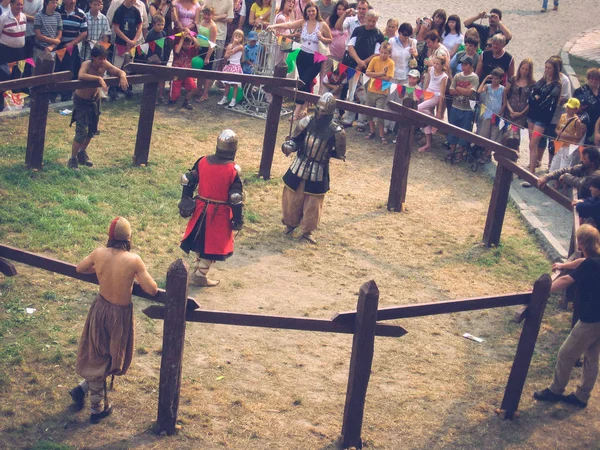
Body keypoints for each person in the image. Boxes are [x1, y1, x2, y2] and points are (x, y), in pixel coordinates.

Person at [69, 216, 158, 423]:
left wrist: (101, 270)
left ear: (110, 236)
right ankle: (96, 409)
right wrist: (134, 275)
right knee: (111, 354)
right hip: (119, 314)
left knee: (99, 352)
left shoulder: (98, 254)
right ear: (128, 238)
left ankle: (83, 388)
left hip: (100, 308)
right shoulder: (133, 260)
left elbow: (80, 268)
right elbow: (152, 290)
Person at [533, 224, 600, 409]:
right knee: (592, 357)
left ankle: (555, 390)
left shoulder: (590, 264)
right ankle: (582, 395)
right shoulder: (595, 260)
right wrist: (564, 265)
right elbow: (581, 263)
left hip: (591, 319)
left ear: (582, 243)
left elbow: (565, 280)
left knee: (565, 354)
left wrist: (539, 292)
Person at [180, 129, 244, 286]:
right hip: (219, 214)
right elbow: (235, 198)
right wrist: (237, 218)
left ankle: (197, 269)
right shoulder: (233, 169)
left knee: (201, 241)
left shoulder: (203, 161)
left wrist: (186, 198)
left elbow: (187, 179)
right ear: (233, 149)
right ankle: (200, 275)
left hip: (201, 209)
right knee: (211, 245)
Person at [280, 92, 346, 244]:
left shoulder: (337, 132)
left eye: (324, 111)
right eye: (319, 109)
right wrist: (289, 145)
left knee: (313, 204)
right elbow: (296, 140)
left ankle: (307, 231)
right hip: (299, 165)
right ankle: (290, 224)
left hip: (319, 170)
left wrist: (326, 151)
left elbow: (340, 153)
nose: (320, 113)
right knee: (291, 197)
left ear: (330, 113)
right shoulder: (306, 121)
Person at [267, 1, 332, 121]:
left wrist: (321, 37)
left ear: (317, 11)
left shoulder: (322, 24)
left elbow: (330, 39)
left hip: (316, 58)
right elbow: (289, 25)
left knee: (303, 82)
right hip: (302, 55)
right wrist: (274, 26)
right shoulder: (303, 22)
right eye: (309, 11)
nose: (311, 13)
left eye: (313, 11)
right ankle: (304, 108)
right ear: (306, 13)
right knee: (304, 83)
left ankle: (296, 112)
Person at [67, 45, 128, 169]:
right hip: (81, 101)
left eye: (104, 58)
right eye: (100, 58)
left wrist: (122, 76)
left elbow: (119, 71)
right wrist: (99, 78)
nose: (103, 61)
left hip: (94, 99)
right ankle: (72, 159)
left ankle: (81, 153)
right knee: (81, 132)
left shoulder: (105, 64)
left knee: (91, 130)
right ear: (94, 58)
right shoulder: (87, 64)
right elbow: (81, 75)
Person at [338, 8, 384, 128]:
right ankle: (348, 118)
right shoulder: (358, 30)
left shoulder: (379, 35)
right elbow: (351, 46)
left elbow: (377, 53)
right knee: (352, 92)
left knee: (365, 96)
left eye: (373, 21)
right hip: (354, 65)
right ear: (365, 19)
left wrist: (364, 63)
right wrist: (358, 61)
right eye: (369, 20)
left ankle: (362, 121)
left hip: (368, 69)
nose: (371, 23)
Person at [527, 58, 561, 173]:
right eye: (546, 67)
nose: (547, 70)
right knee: (531, 143)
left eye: (549, 68)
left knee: (533, 143)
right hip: (532, 114)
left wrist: (538, 98)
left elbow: (549, 101)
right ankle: (531, 166)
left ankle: (531, 172)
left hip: (542, 118)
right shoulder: (542, 80)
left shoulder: (557, 85)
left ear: (555, 69)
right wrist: (536, 98)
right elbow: (532, 92)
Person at [55, 0, 88, 102]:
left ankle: (66, 95)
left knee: (69, 70)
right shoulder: (57, 11)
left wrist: (72, 43)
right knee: (56, 70)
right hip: (56, 46)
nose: (73, 1)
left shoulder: (81, 14)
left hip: (71, 47)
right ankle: (53, 93)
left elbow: (84, 33)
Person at [109, 0, 142, 100]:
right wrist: (127, 40)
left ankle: (124, 87)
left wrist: (134, 40)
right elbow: (117, 28)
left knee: (128, 66)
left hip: (131, 44)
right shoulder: (119, 10)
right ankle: (112, 88)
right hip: (120, 43)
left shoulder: (135, 10)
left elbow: (139, 25)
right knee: (116, 66)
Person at [447, 55, 479, 159]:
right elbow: (451, 90)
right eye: (462, 64)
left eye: (465, 64)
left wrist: (459, 88)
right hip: (456, 106)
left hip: (467, 109)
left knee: (464, 131)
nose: (463, 66)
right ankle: (451, 151)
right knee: (453, 128)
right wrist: (464, 89)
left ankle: (459, 154)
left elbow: (470, 92)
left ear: (470, 65)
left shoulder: (474, 77)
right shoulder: (457, 76)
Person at [417, 55, 448, 153]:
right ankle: (428, 144)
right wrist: (424, 94)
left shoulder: (444, 76)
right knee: (426, 120)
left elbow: (442, 94)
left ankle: (434, 118)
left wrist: (439, 113)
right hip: (428, 94)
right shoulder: (431, 69)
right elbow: (428, 83)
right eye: (434, 63)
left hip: (436, 96)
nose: (435, 65)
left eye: (438, 64)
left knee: (419, 108)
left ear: (442, 65)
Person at [364, 40, 393, 143]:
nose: (383, 54)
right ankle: (372, 131)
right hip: (371, 89)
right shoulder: (375, 59)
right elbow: (367, 72)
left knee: (380, 113)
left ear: (390, 54)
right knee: (369, 112)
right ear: (379, 50)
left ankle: (381, 134)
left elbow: (388, 78)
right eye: (382, 52)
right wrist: (381, 73)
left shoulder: (390, 63)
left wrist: (375, 74)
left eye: (386, 53)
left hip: (382, 91)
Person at [502, 58, 534, 152]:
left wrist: (521, 113)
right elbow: (505, 93)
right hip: (509, 110)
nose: (524, 71)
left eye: (526, 69)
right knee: (506, 134)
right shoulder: (512, 79)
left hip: (521, 114)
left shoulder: (532, 84)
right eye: (522, 68)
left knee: (515, 137)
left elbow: (531, 102)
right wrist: (509, 108)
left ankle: (513, 156)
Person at [476, 67, 505, 159]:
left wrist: (499, 115)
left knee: (494, 135)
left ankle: (489, 153)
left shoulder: (503, 89)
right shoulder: (488, 87)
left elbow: (504, 103)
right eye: (493, 78)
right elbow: (479, 91)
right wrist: (485, 79)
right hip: (487, 114)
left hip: (497, 116)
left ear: (500, 79)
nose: (494, 80)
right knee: (485, 133)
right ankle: (484, 152)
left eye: (496, 78)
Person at [169, 30, 199, 109]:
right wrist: (182, 39)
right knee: (175, 95)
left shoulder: (191, 49)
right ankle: (173, 99)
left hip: (187, 73)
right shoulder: (177, 46)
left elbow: (198, 45)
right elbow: (177, 51)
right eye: (184, 44)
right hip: (176, 73)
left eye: (187, 44)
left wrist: (191, 36)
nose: (185, 46)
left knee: (193, 88)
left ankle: (186, 101)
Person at [195, 5, 217, 102]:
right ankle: (198, 90)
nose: (206, 16)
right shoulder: (202, 22)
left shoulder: (213, 26)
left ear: (212, 15)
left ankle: (205, 93)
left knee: (207, 73)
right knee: (199, 72)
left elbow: (212, 44)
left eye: (208, 15)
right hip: (200, 49)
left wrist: (207, 57)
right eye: (205, 14)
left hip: (208, 51)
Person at [204, 0, 234, 70]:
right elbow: (206, 15)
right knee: (206, 57)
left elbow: (230, 19)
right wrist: (222, 16)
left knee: (217, 60)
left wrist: (216, 17)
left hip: (221, 34)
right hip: (208, 32)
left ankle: (212, 79)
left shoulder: (229, 1)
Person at [33, 0, 62, 70]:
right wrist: (53, 41)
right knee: (36, 74)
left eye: (56, 3)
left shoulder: (58, 15)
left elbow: (59, 34)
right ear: (46, 3)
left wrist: (52, 46)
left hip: (52, 51)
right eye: (52, 2)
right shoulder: (38, 16)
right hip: (40, 49)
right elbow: (38, 35)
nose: (55, 5)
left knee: (50, 74)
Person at [217, 28, 243, 107]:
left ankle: (233, 100)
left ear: (242, 38)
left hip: (235, 66)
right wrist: (229, 50)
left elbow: (231, 52)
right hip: (229, 66)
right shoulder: (229, 45)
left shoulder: (241, 46)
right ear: (233, 36)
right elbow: (226, 56)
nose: (237, 38)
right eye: (236, 36)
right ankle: (224, 98)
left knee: (235, 85)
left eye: (239, 36)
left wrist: (231, 48)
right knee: (227, 84)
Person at [573, 68, 600, 146]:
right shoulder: (580, 91)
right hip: (581, 126)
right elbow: (573, 109)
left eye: (596, 79)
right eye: (592, 79)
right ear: (588, 78)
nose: (594, 81)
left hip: (595, 126)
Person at [0, 0, 27, 72]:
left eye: (21, 5)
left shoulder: (24, 17)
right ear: (11, 4)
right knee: (6, 75)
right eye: (18, 5)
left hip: (20, 52)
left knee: (19, 73)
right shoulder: (3, 18)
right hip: (6, 51)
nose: (20, 7)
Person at [146, 14, 167, 103]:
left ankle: (160, 95)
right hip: (152, 59)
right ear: (154, 24)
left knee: (162, 77)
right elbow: (146, 48)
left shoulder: (163, 33)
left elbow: (164, 46)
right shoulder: (151, 34)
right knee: (152, 79)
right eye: (158, 25)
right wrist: (153, 58)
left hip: (161, 58)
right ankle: (151, 97)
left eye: (162, 25)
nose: (161, 27)